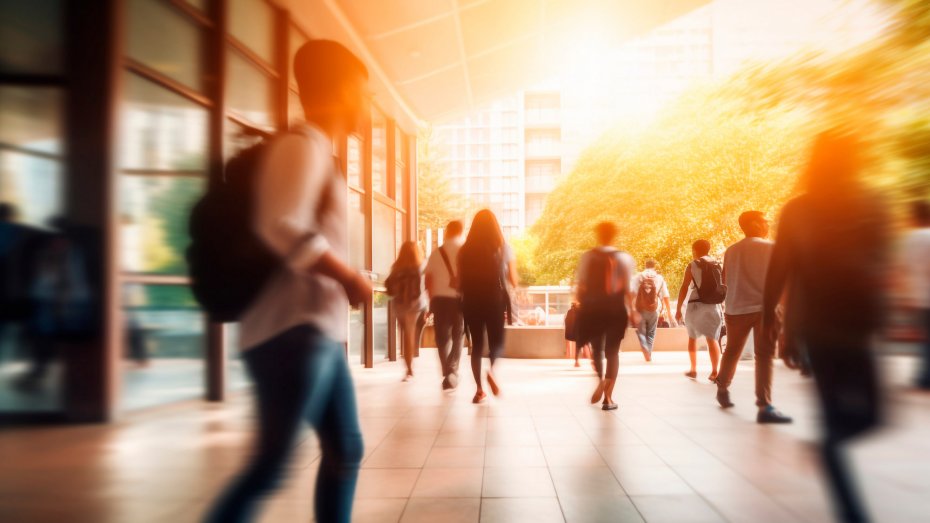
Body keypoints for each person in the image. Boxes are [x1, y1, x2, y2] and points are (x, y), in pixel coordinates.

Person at [205, 40, 373, 523]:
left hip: (315, 330)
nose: (366, 104)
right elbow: (279, 223)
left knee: (345, 448)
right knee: (271, 467)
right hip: (291, 332)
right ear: (343, 89)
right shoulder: (302, 146)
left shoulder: (321, 152)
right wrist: (348, 277)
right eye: (364, 91)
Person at [763, 131, 888, 523]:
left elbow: (882, 263)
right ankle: (852, 512)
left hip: (851, 324)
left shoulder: (868, 203)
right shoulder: (805, 210)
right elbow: (781, 267)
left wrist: (774, 321)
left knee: (870, 417)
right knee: (847, 418)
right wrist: (774, 321)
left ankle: (829, 447)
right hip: (824, 327)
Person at [712, 211, 792, 423]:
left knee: (732, 351)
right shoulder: (772, 248)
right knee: (764, 356)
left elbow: (726, 280)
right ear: (754, 224)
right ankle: (764, 405)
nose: (767, 224)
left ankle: (722, 388)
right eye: (765, 221)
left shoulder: (731, 251)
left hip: (736, 307)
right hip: (766, 309)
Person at [575, 222, 638, 411]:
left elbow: (581, 286)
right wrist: (633, 310)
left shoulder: (587, 257)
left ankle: (600, 380)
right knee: (612, 353)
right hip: (616, 311)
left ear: (598, 235)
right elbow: (628, 289)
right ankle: (608, 397)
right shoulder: (625, 258)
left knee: (597, 351)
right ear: (614, 235)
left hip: (593, 310)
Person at [457, 209, 516, 404]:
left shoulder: (464, 251)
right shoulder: (503, 248)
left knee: (476, 346)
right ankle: (491, 371)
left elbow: (459, 281)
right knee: (497, 342)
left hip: (471, 301)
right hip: (494, 299)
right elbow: (512, 279)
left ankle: (479, 390)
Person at [424, 220, 465, 390]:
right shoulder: (465, 251)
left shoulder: (435, 253)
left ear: (447, 231)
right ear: (461, 231)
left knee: (442, 338)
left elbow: (428, 280)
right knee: (458, 336)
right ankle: (452, 369)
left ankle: (447, 371)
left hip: (439, 300)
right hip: (459, 300)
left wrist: (431, 300)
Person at [675, 240, 724, 381]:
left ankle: (693, 369)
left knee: (692, 338)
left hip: (696, 304)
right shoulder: (717, 264)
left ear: (694, 250)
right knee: (712, 340)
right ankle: (715, 372)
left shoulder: (692, 265)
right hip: (713, 305)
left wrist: (678, 309)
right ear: (708, 249)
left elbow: (684, 287)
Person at [897, 201, 930, 390]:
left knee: (925, 336)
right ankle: (924, 376)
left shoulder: (908, 239)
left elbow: (902, 270)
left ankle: (923, 374)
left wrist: (905, 295)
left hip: (916, 296)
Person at [386, 241, 427, 381]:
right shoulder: (418, 267)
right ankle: (409, 368)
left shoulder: (396, 267)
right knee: (409, 335)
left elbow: (389, 285)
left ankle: (408, 366)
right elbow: (421, 289)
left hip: (399, 305)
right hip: (413, 305)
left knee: (406, 335)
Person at [631, 259, 672, 362]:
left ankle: (644, 345)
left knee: (641, 331)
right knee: (651, 332)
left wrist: (630, 309)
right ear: (654, 266)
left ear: (645, 266)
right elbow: (665, 296)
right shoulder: (659, 277)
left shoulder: (638, 276)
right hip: (654, 308)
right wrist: (669, 312)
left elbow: (631, 293)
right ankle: (648, 353)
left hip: (639, 308)